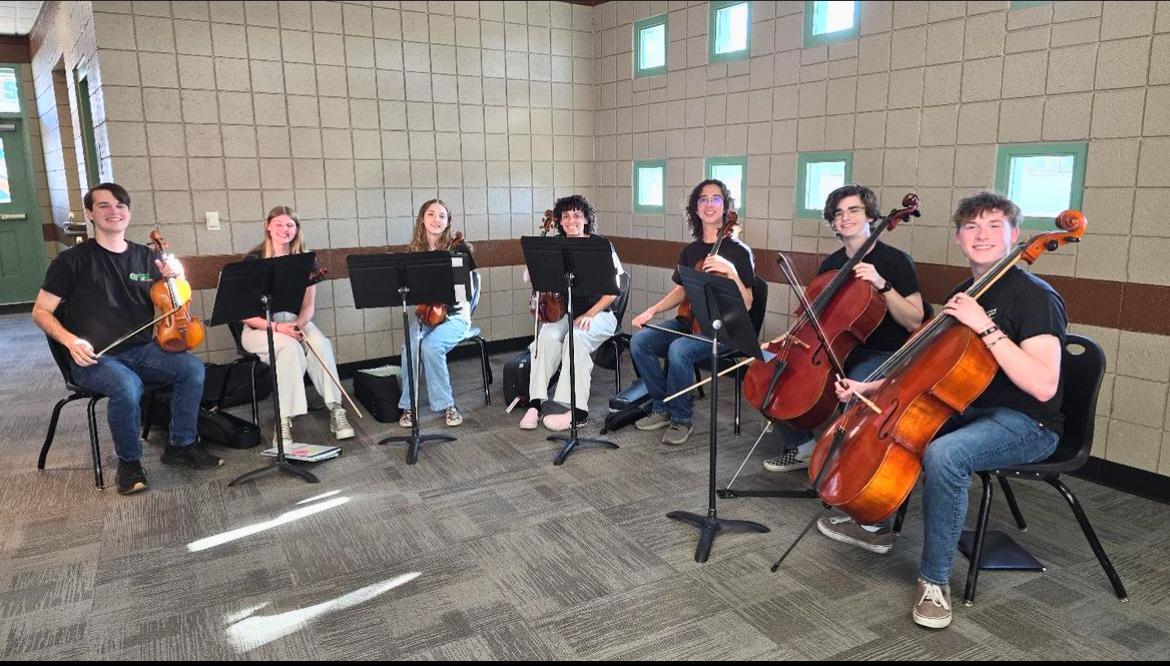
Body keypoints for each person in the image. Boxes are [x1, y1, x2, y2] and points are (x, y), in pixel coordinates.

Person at [826, 191, 1066, 629]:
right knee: (899, 421)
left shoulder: (1035, 297)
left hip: (1027, 422)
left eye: (994, 226)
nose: (982, 235)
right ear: (958, 238)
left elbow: (1043, 384)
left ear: (1014, 234)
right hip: (967, 406)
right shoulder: (964, 292)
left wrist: (985, 325)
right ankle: (876, 521)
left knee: (946, 454)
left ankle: (934, 581)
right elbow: (922, 370)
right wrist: (869, 387)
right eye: (972, 226)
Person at [32, 182, 222, 495]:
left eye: (120, 205)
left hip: (143, 350)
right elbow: (41, 311)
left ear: (128, 214)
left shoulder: (146, 257)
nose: (114, 211)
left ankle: (181, 445)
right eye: (104, 205)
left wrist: (176, 275)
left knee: (192, 369)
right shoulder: (71, 261)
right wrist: (70, 341)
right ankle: (129, 462)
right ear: (90, 213)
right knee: (126, 385)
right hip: (96, 357)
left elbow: (176, 298)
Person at [764, 184, 926, 473]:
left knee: (857, 387)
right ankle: (802, 448)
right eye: (838, 213)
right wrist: (783, 341)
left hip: (882, 353)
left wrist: (882, 284)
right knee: (771, 369)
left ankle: (848, 469)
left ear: (871, 217)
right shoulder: (833, 263)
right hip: (833, 349)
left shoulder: (896, 261)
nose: (845, 217)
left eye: (854, 210)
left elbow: (914, 320)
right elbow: (814, 317)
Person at [628, 179, 756, 446]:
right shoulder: (691, 251)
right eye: (703, 199)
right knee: (639, 342)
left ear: (725, 207)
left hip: (723, 329)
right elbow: (681, 291)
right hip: (690, 322)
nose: (709, 204)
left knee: (679, 350)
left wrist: (731, 272)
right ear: (696, 209)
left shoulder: (739, 252)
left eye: (716, 198)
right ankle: (662, 406)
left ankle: (681, 419)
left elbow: (747, 303)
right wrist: (652, 310)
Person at [240, 206, 354, 445]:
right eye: (279, 224)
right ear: (268, 226)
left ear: (297, 229)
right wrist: (278, 328)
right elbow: (245, 314)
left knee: (320, 344)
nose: (285, 229)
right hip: (259, 327)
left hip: (293, 320)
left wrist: (298, 324)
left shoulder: (305, 259)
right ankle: (283, 419)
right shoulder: (253, 260)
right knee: (290, 349)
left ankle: (336, 409)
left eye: (290, 225)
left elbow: (308, 306)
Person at [518, 195, 624, 431]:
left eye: (577, 215)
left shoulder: (601, 245)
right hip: (567, 313)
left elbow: (613, 291)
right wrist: (536, 260)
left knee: (575, 339)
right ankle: (535, 403)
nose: (571, 220)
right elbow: (528, 277)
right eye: (565, 216)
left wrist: (590, 314)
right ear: (559, 220)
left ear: (586, 219)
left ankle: (578, 412)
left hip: (600, 314)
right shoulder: (556, 244)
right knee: (546, 336)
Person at [397, 199, 477, 428]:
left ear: (448, 222)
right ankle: (408, 406)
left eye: (442, 216)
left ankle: (447, 405)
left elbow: (466, 291)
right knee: (411, 347)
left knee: (432, 347)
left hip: (456, 313)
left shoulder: (459, 248)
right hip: (427, 313)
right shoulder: (414, 253)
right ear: (422, 219)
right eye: (431, 214)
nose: (436, 219)